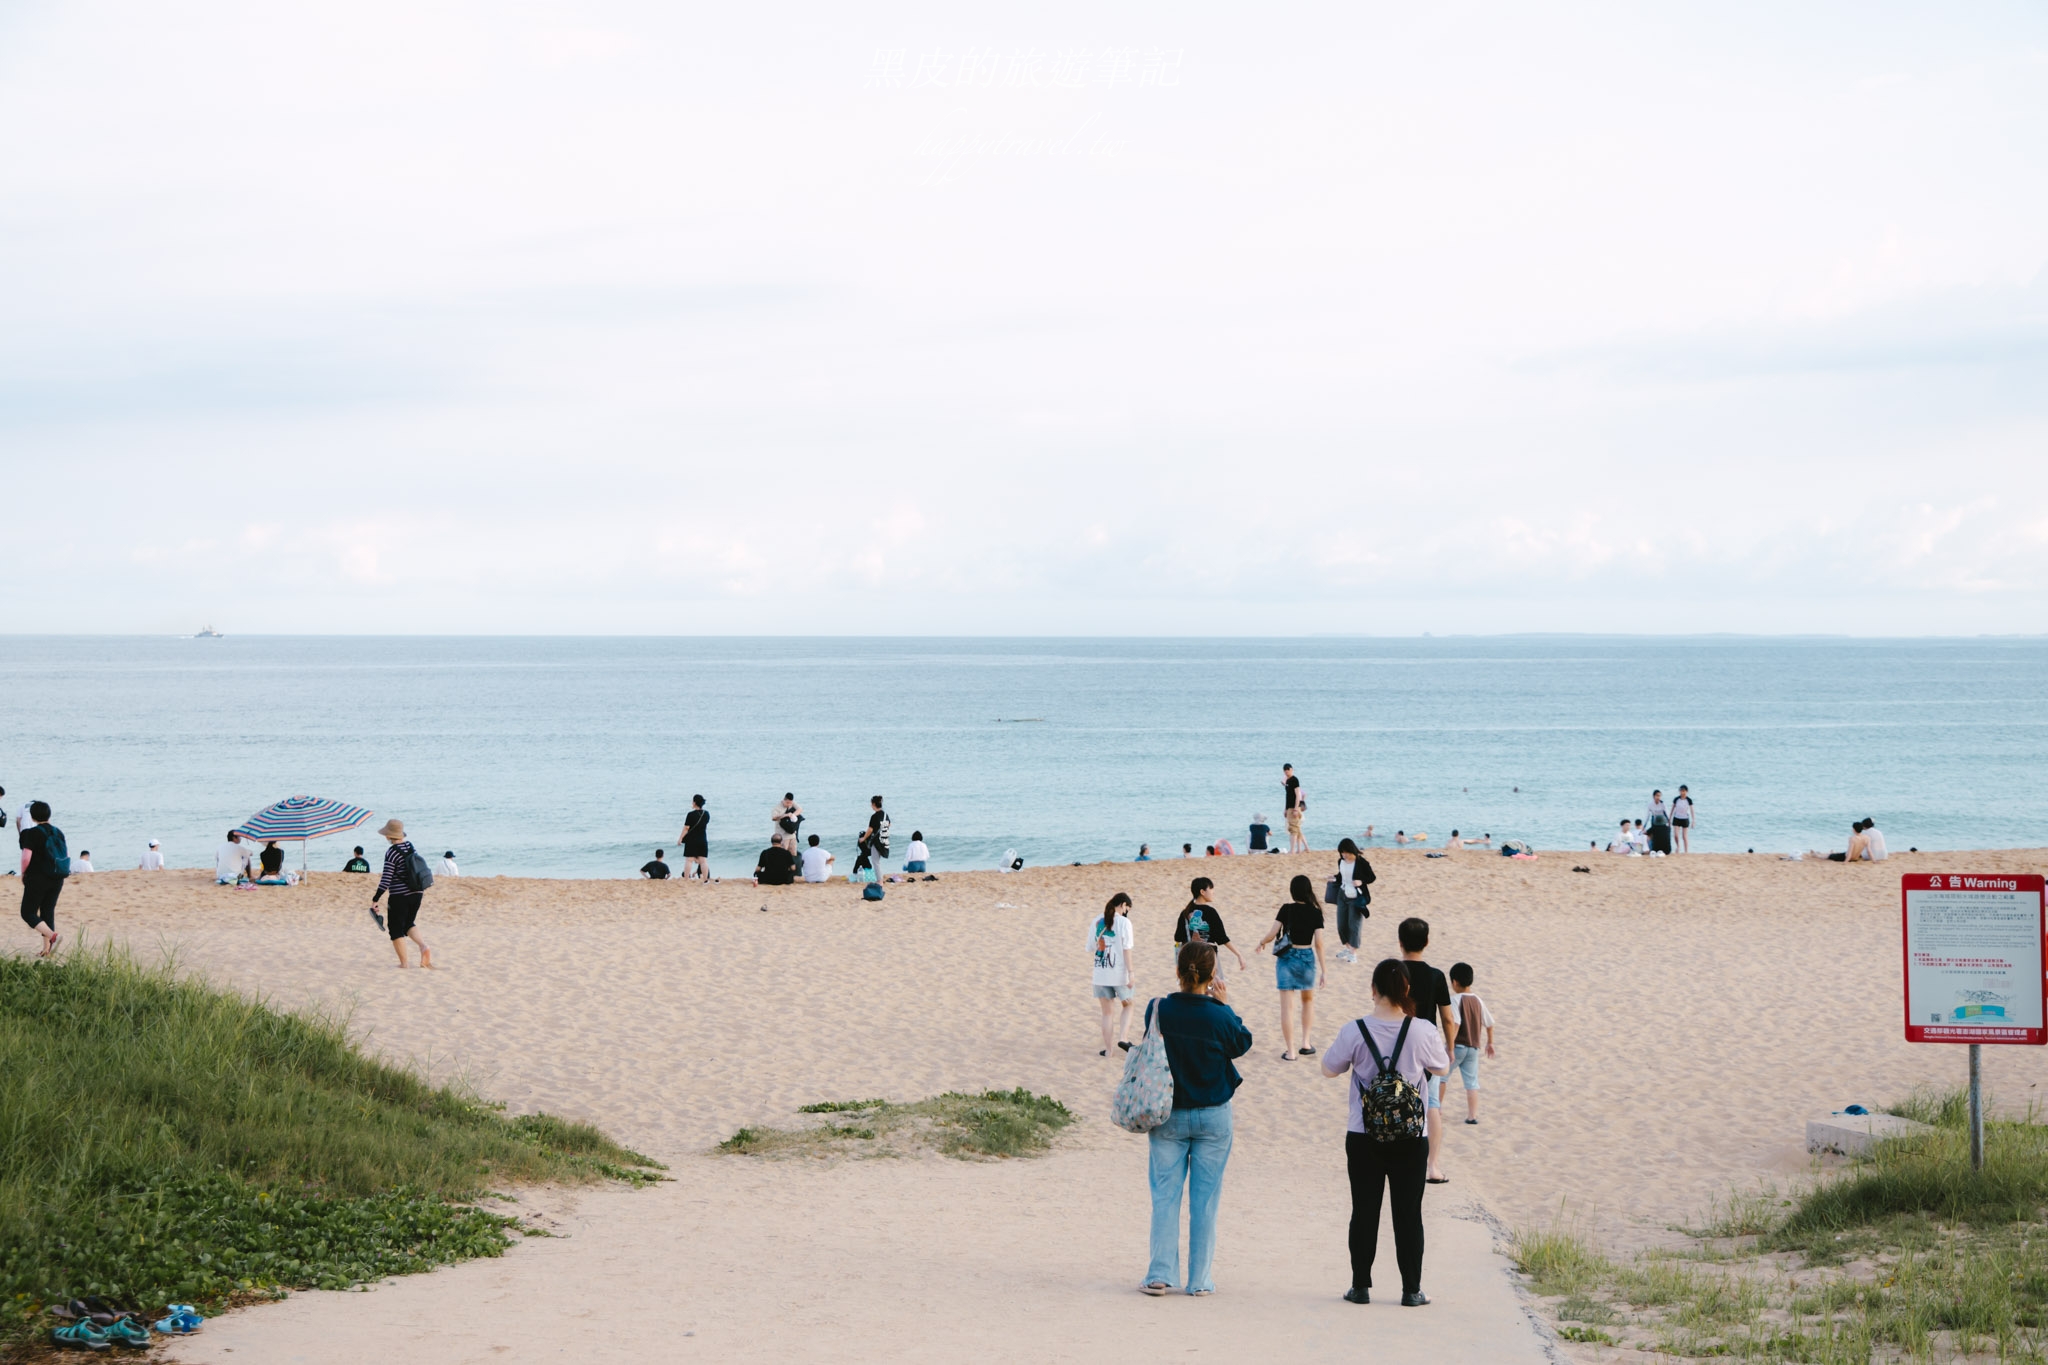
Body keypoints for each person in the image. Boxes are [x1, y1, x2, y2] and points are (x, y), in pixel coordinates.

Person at [1321, 957, 1450, 1307]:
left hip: (1364, 1134)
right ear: (1406, 990)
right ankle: (1411, 1289)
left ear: (1373, 990)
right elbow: (1442, 1066)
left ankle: (1360, 1285)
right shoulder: (1422, 1029)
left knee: (1364, 1209)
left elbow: (1329, 1069)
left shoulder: (1354, 1030)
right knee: (1408, 1213)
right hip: (1411, 1136)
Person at [1142, 940, 1253, 1298]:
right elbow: (1241, 1043)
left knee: (1165, 1197)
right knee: (1205, 1202)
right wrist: (1225, 1004)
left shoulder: (1157, 1009)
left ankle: (1159, 1275)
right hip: (1213, 1115)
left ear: (1178, 970)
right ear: (1212, 975)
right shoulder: (1219, 1015)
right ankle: (1200, 1280)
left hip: (1168, 1113)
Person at [1398, 917, 1457, 1184]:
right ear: (1427, 942)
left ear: (1400, 942)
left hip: (1396, 1041)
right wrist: (1450, 1046)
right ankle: (1432, 1167)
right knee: (1431, 1104)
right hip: (1427, 1043)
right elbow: (1446, 1017)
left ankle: (1400, 1161)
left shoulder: (1393, 972)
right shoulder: (1435, 976)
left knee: (1398, 1097)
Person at [1255, 874, 1327, 1061]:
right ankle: (1306, 1043)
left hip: (1287, 957)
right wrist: (1324, 970)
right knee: (1307, 1001)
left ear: (1292, 891)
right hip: (1306, 957)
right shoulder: (1315, 912)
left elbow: (1272, 933)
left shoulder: (1286, 909)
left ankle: (1291, 1051)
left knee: (1287, 1007)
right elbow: (1319, 943)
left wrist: (1262, 943)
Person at [370, 818, 432, 968]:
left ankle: (404, 964)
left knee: (396, 929)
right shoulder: (410, 846)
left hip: (400, 896)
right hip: (417, 892)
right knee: (408, 923)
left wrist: (375, 898)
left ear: (388, 835)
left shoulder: (391, 852)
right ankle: (423, 946)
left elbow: (386, 879)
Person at [17, 800, 67, 958]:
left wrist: (23, 873)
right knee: (47, 911)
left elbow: (26, 857)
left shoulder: (32, 833)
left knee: (27, 912)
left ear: (32, 817)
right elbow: (66, 854)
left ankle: (54, 937)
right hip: (57, 877)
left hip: (38, 877)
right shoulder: (58, 832)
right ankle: (47, 950)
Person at [1448, 962, 1496, 1125]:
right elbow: (1489, 1023)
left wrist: (1449, 1046)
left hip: (1459, 1046)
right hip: (1474, 1048)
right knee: (1472, 1082)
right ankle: (1472, 1116)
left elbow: (1456, 1023)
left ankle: (1436, 1110)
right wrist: (1490, 1043)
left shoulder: (1455, 1000)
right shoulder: (1478, 1000)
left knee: (1441, 1077)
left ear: (1454, 982)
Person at [1092, 892, 1137, 1056]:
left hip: (1100, 973)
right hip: (1119, 973)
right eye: (1127, 909)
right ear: (1123, 905)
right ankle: (1123, 1038)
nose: (1126, 912)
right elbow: (1127, 950)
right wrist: (1131, 973)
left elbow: (1091, 946)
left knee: (1107, 1013)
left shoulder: (1096, 921)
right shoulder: (1125, 922)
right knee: (1128, 1004)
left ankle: (1109, 1051)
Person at [1174, 877, 1247, 972]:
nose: (1213, 892)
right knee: (1213, 986)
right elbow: (1222, 938)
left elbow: (1178, 937)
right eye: (1211, 888)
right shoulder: (1211, 912)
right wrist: (1239, 954)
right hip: (1207, 958)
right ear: (1202, 892)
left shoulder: (1185, 913)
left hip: (1189, 959)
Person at [1331, 837, 1371, 964]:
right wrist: (1333, 878)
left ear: (1351, 850)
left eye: (1345, 852)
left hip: (1356, 897)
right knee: (1341, 925)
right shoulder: (1341, 861)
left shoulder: (1361, 862)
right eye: (1341, 852)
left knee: (1354, 925)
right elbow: (1341, 876)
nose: (1343, 855)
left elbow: (1372, 877)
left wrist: (1361, 881)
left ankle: (1353, 953)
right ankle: (1348, 949)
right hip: (1342, 894)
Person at [678, 795, 711, 881]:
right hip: (702, 839)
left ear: (695, 802)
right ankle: (705, 880)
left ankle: (686, 879)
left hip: (691, 840)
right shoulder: (706, 814)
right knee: (703, 861)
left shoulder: (690, 814)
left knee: (689, 860)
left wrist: (680, 838)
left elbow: (686, 828)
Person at [1283, 763, 1307, 853]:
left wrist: (1296, 808)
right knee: (1297, 828)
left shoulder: (1294, 780)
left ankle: (1292, 850)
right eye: (1285, 770)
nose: (1286, 772)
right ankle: (1304, 848)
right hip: (1289, 807)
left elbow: (1298, 795)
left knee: (1293, 829)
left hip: (1294, 807)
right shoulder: (1287, 781)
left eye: (1288, 770)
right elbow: (1287, 796)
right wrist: (1285, 809)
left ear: (1292, 769)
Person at [1646, 791, 1672, 855]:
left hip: (1662, 820)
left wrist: (1669, 822)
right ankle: (1653, 847)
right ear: (1653, 796)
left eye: (1659, 796)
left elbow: (1667, 813)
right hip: (1654, 820)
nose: (1658, 797)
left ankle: (1657, 848)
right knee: (1653, 834)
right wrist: (1644, 826)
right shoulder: (1650, 804)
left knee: (1663, 834)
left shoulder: (1662, 804)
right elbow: (1647, 815)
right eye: (1657, 796)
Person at [1670, 785, 1695, 853]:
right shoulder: (1676, 799)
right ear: (1679, 791)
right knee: (1676, 835)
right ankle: (1678, 846)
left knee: (1684, 836)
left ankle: (1686, 851)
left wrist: (1693, 821)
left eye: (1684, 791)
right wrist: (1669, 818)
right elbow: (1672, 809)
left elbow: (1692, 810)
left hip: (1685, 819)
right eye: (1681, 791)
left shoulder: (1689, 800)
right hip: (1677, 818)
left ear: (1686, 791)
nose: (1682, 792)